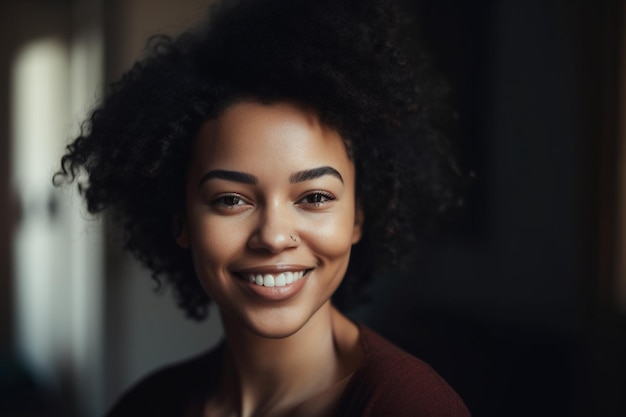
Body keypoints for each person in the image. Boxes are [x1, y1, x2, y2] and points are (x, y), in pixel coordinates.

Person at [56, 0, 470, 415]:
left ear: (359, 215)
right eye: (231, 200)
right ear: (180, 219)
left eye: (314, 198)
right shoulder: (147, 406)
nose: (273, 236)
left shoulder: (409, 405)